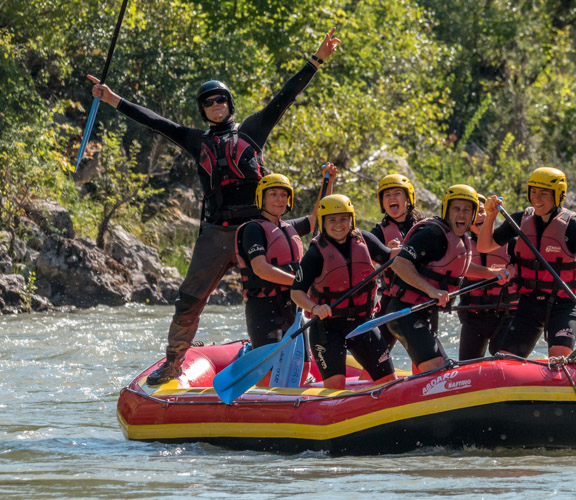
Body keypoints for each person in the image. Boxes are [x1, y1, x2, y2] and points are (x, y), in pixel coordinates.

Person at [87, 28, 342, 385]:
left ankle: (291, 360)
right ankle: (174, 361)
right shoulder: (195, 140)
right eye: (208, 102)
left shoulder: (253, 130)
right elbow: (155, 122)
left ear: (229, 104)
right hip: (216, 233)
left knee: (277, 290)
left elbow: (285, 96)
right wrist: (112, 98)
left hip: (257, 231)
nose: (215, 105)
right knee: (189, 298)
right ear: (203, 110)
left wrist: (316, 60)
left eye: (220, 100)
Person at [477, 167, 576, 359]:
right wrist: (491, 215)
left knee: (558, 361)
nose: (537, 198)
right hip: (529, 304)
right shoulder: (520, 220)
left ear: (558, 196)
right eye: (533, 192)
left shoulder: (574, 227)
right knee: (505, 359)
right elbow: (484, 246)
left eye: (544, 194)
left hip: (564, 305)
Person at [387, 185, 509, 373]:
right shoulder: (431, 234)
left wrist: (491, 273)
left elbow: (458, 268)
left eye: (467, 210)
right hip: (405, 312)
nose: (461, 215)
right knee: (437, 370)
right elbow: (399, 264)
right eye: (456, 209)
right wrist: (432, 290)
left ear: (473, 214)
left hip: (426, 312)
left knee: (444, 370)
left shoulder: (461, 240)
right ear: (446, 210)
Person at [234, 165, 336, 385]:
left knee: (304, 365)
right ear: (262, 198)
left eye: (283, 195)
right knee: (268, 369)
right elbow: (260, 268)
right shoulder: (253, 229)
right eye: (273, 195)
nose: (279, 200)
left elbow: (316, 219)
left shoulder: (288, 227)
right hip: (263, 307)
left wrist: (327, 182)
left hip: (292, 306)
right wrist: (299, 283)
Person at [290, 194, 398, 390]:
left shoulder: (364, 240)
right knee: (336, 389)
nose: (338, 224)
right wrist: (315, 307)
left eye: (343, 219)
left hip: (363, 324)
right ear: (323, 222)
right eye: (332, 220)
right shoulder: (315, 253)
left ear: (351, 219)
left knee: (390, 384)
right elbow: (296, 292)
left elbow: (390, 257)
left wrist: (406, 251)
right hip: (327, 328)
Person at [457, 194, 518, 360]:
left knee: (502, 359)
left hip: (506, 314)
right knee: (467, 365)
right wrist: (492, 272)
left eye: (482, 211)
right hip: (473, 315)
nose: (479, 216)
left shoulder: (512, 244)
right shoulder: (460, 245)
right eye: (474, 213)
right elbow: (458, 268)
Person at [369, 174, 424, 350]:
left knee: (422, 351)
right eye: (387, 195)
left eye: (397, 193)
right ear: (382, 203)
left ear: (408, 199)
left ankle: (424, 374)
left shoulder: (425, 227)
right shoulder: (377, 233)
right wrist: (384, 250)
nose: (392, 198)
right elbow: (364, 264)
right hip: (391, 298)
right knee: (378, 353)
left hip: (422, 297)